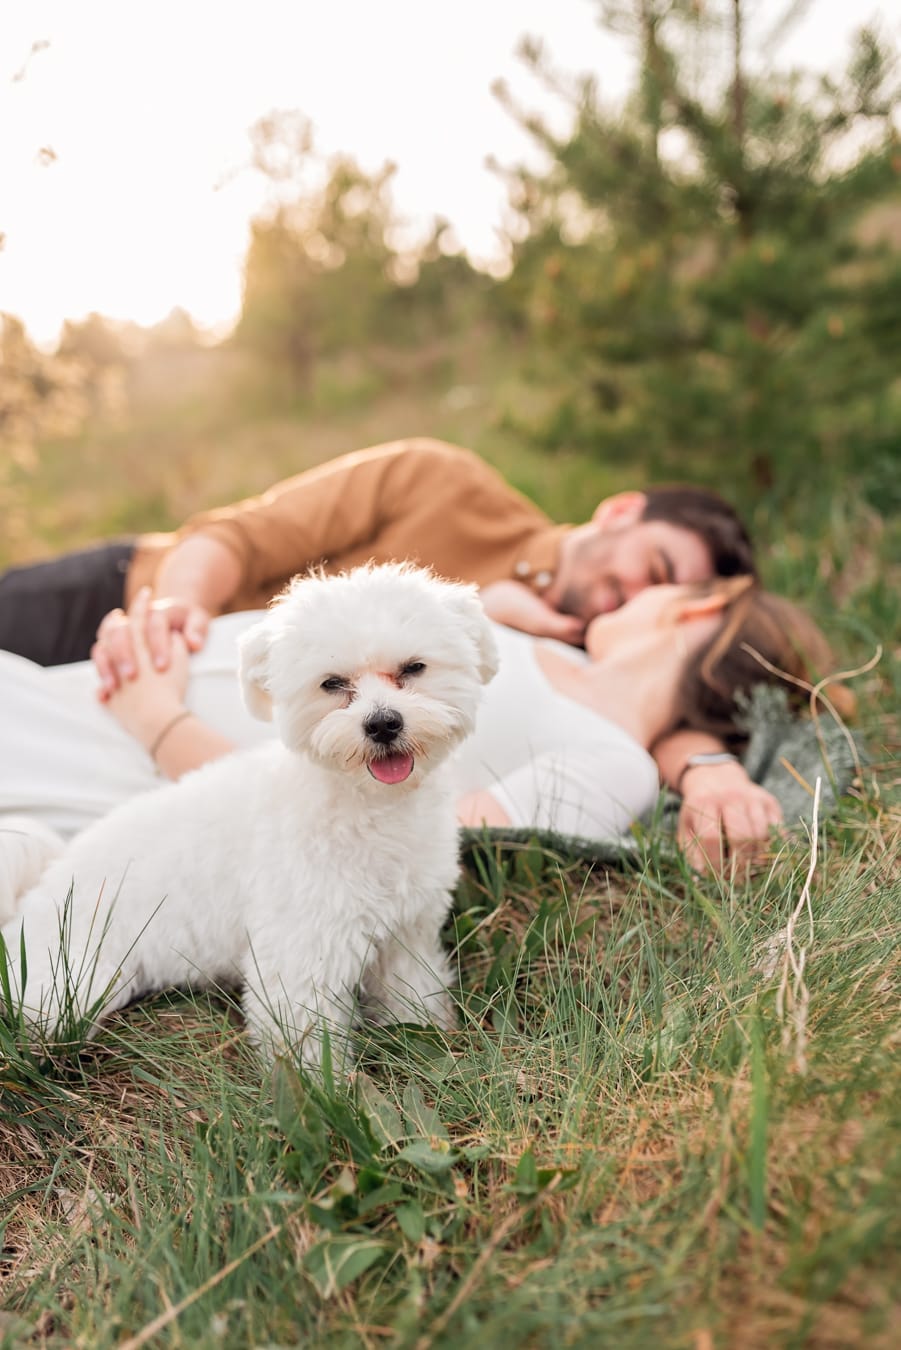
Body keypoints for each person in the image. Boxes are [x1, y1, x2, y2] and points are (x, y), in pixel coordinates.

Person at [0, 437, 767, 867]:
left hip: (170, 735)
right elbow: (240, 536)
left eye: (658, 597)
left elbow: (642, 715)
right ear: (622, 511)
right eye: (654, 569)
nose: (628, 597)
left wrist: (710, 768)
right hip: (148, 606)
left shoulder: (572, 651)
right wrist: (174, 615)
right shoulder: (443, 483)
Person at [0, 576, 850, 879]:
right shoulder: (536, 644)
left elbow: (377, 842)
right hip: (79, 694)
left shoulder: (611, 760)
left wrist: (157, 719)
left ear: (697, 605)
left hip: (130, 767)